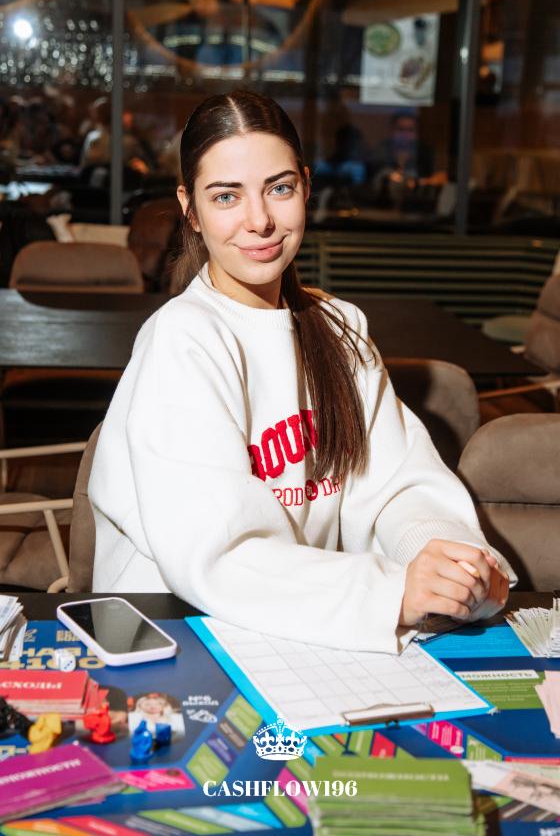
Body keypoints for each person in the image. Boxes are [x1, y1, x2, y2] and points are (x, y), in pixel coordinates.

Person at [89, 90, 514, 653]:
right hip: (175, 634)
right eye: (226, 196)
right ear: (190, 208)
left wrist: (446, 557)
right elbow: (217, 556)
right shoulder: (182, 339)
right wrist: (391, 593)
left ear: (306, 187)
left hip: (296, 625)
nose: (259, 220)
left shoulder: (339, 325)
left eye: (279, 188)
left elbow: (396, 485)